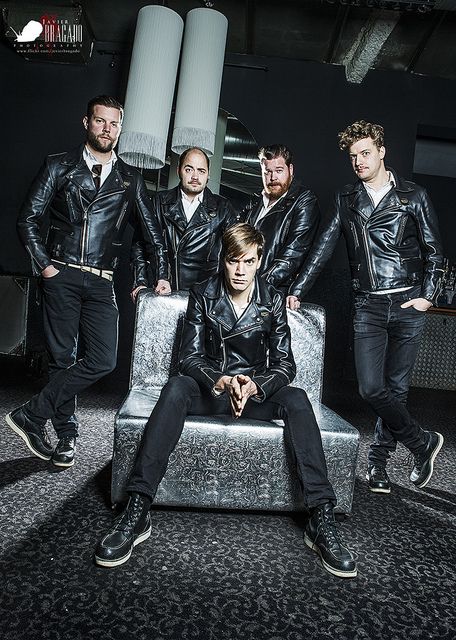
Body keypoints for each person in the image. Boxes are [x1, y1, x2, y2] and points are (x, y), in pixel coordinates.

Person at [94, 223, 357, 579]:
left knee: (296, 400)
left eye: (248, 262)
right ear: (223, 260)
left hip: (253, 393)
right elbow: (188, 358)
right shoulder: (204, 293)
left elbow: (285, 364)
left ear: (259, 261)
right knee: (175, 388)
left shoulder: (273, 300)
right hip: (212, 391)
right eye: (234, 261)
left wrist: (252, 385)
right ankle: (138, 507)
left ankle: (321, 518)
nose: (240, 270)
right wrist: (222, 380)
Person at [6, 95, 171, 468]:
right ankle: (66, 437)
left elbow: (152, 236)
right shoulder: (59, 166)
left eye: (114, 124)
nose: (107, 129)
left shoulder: (130, 179)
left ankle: (32, 414)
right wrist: (46, 266)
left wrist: (158, 275)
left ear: (120, 128)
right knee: (62, 359)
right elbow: (27, 219)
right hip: (60, 273)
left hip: (101, 280)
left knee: (103, 359)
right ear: (87, 123)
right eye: (100, 121)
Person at [288, 120, 444, 494]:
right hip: (369, 306)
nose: (358, 161)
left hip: (408, 304)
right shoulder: (346, 199)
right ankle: (422, 444)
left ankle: (378, 465)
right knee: (372, 388)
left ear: (381, 152)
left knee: (396, 388)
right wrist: (298, 289)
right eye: (353, 155)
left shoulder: (413, 195)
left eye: (365, 153)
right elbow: (324, 246)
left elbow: (435, 252)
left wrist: (428, 296)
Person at [131, 146, 238, 296]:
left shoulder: (223, 208)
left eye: (201, 171)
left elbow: (237, 251)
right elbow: (139, 244)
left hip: (206, 296)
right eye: (189, 169)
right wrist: (140, 281)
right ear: (179, 170)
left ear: (208, 174)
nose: (195, 176)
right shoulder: (159, 202)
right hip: (163, 289)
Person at [242, 144, 320, 300]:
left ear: (290, 170)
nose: (273, 178)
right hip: (244, 289)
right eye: (267, 172)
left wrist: (257, 288)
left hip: (276, 294)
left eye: (279, 171)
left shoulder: (304, 200)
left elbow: (293, 255)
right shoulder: (254, 203)